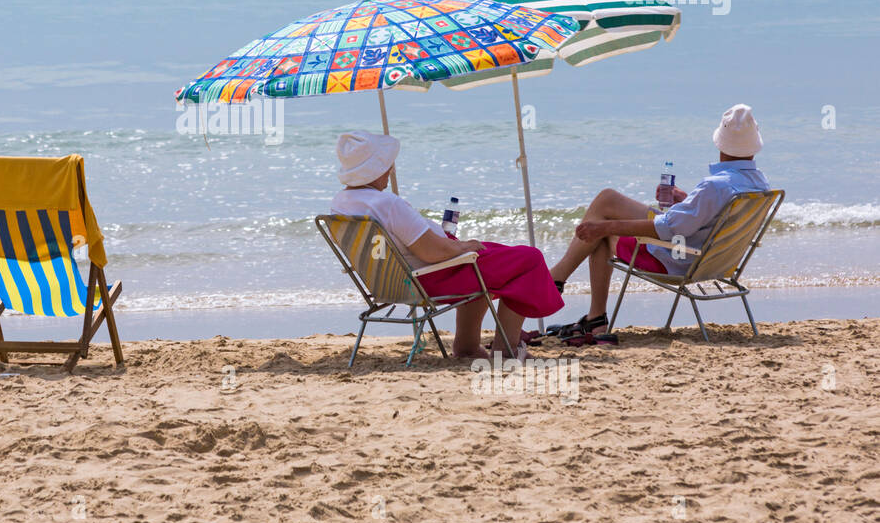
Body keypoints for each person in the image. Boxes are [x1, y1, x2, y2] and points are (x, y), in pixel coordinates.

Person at [329, 130, 563, 359]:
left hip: (392, 281)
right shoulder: (386, 203)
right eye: (387, 165)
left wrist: (457, 246)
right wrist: (460, 248)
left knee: (496, 254)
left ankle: (467, 347)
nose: (391, 171)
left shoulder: (341, 203)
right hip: (428, 277)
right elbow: (431, 252)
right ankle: (507, 350)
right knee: (528, 259)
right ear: (375, 169)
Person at [548, 104, 770, 338]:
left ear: (720, 143)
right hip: (717, 261)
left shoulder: (715, 186)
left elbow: (667, 228)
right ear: (753, 147)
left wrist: (605, 227)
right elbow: (713, 220)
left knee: (602, 231)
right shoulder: (758, 183)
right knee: (608, 200)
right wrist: (685, 201)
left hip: (678, 260)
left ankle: (566, 289)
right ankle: (574, 297)